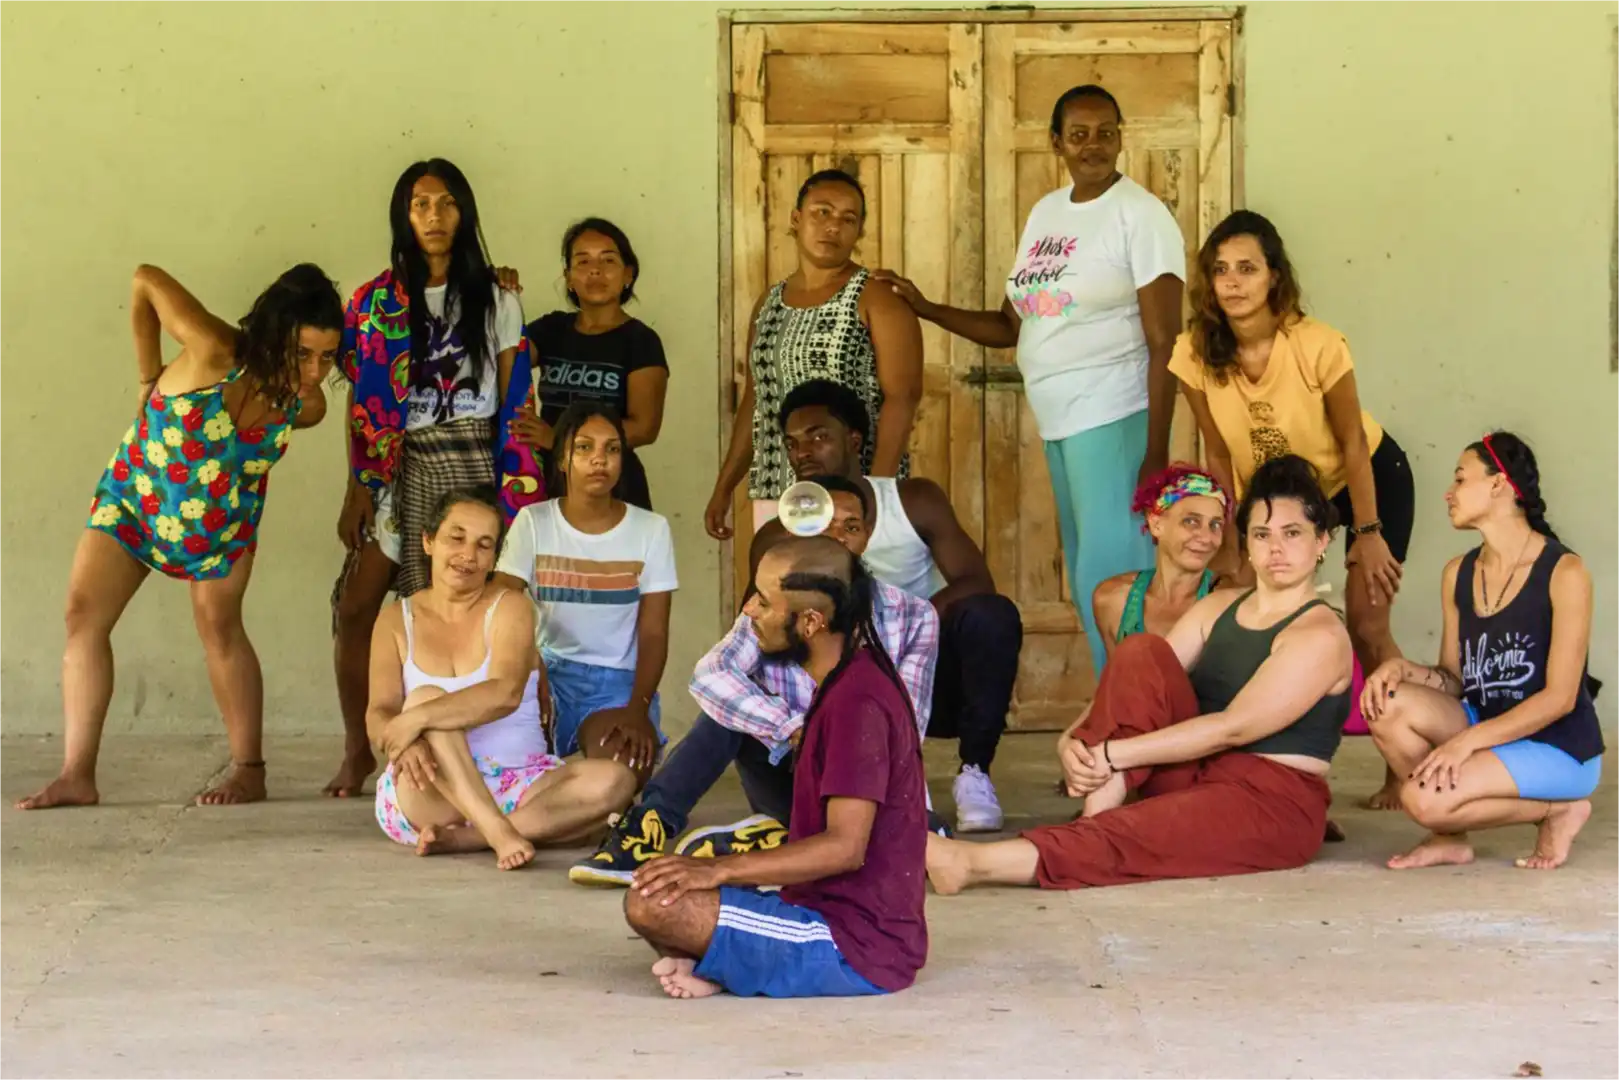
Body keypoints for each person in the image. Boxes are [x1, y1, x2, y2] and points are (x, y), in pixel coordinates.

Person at [925, 455, 1353, 893]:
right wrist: (1071, 738)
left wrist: (1112, 754)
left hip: (1268, 800)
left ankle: (971, 862)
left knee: (1140, 835)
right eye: (1262, 534)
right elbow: (1135, 678)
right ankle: (1094, 820)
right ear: (1247, 543)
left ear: (1322, 541)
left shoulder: (1320, 635)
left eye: (1292, 533)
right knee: (1140, 651)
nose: (1276, 548)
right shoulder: (1219, 606)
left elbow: (1232, 728)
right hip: (1195, 770)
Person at [875, 84, 1184, 676]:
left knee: (1113, 576)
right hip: (1061, 422)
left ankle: (1134, 710)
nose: (1093, 145)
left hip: (1112, 414)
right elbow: (1010, 324)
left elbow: (1165, 340)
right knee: (1088, 576)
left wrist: (1155, 453)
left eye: (1106, 133)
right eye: (1079, 134)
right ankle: (1118, 705)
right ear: (1056, 142)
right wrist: (927, 308)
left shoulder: (1141, 215)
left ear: (1122, 138)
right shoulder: (1048, 213)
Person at [16, 264, 341, 810]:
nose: (314, 371)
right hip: (138, 499)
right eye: (302, 353)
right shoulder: (214, 349)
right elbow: (144, 279)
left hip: (222, 526)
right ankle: (77, 774)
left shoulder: (306, 406)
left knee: (221, 629)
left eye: (327, 357)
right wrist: (149, 378)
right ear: (272, 335)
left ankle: (250, 770)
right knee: (83, 616)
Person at [568, 473, 940, 885]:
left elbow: (906, 726)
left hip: (864, 785)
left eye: (850, 527)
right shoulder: (772, 606)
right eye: (823, 523)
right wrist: (791, 727)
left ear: (867, 536)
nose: (836, 537)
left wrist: (826, 738)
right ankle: (647, 828)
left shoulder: (914, 615)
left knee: (926, 843)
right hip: (789, 776)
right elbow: (710, 674)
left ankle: (777, 841)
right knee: (725, 710)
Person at [1167, 209, 1415, 808]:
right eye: (1220, 270)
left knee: (1367, 625)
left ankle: (1403, 762)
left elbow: (1352, 442)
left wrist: (1369, 531)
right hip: (1274, 496)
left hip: (1359, 479)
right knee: (1254, 619)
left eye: (1247, 268)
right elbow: (1218, 452)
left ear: (1274, 275)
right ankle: (1276, 769)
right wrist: (1230, 538)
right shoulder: (1193, 353)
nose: (1232, 282)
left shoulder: (1317, 344)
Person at [624, 536, 928, 1000]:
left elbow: (846, 847)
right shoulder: (843, 680)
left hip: (856, 945)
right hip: (811, 905)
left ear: (811, 622)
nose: (749, 610)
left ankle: (725, 964)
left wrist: (719, 870)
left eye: (764, 602)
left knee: (651, 904)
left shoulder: (857, 704)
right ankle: (723, 962)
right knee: (664, 885)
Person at [326, 158, 542, 800]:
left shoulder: (498, 299)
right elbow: (361, 401)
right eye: (420, 204)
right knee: (356, 606)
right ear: (403, 215)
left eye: (446, 203)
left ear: (464, 212)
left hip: (475, 463)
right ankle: (361, 744)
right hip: (402, 467)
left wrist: (517, 490)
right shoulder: (372, 303)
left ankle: (491, 751)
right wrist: (357, 484)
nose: (434, 216)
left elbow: (515, 393)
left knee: (480, 602)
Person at [757, 379, 1022, 829]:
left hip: (924, 674)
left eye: (818, 437)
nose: (803, 452)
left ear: (853, 440)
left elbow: (976, 581)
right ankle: (814, 778)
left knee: (991, 615)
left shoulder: (912, 501)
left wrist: (898, 631)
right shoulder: (777, 532)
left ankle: (975, 772)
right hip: (832, 685)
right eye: (792, 443)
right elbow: (761, 625)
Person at [1361, 433, 1601, 872]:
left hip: (1557, 746)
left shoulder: (1564, 572)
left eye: (1459, 479)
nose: (1448, 493)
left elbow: (1561, 698)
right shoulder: (1459, 573)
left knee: (1421, 799)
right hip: (1485, 724)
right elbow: (1454, 679)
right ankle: (1449, 837)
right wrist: (1402, 669)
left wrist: (1464, 745)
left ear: (1498, 484)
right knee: (1386, 705)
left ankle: (1558, 810)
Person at [366, 487, 638, 869]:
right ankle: (502, 830)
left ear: (495, 556)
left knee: (616, 780)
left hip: (522, 786)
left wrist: (416, 720)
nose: (468, 555)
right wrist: (403, 744)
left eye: (484, 545)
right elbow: (379, 711)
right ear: (428, 541)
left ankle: (468, 837)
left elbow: (505, 693)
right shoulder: (396, 619)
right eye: (456, 538)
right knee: (426, 696)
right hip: (433, 790)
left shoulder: (511, 607)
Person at [706, 169, 923, 541]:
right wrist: (725, 485)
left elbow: (902, 398)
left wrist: (875, 491)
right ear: (796, 219)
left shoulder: (876, 297)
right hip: (778, 485)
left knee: (850, 577)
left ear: (859, 231)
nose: (833, 226)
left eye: (848, 219)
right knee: (781, 576)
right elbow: (757, 400)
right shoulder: (769, 302)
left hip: (851, 488)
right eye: (822, 212)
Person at [493, 402, 676, 791]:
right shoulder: (534, 522)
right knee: (500, 766)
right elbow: (500, 604)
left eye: (612, 449)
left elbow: (654, 632)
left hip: (617, 686)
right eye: (584, 447)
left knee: (621, 772)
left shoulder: (651, 529)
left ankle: (561, 789)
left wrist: (638, 709)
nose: (599, 459)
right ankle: (558, 790)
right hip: (547, 678)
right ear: (562, 458)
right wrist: (529, 659)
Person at [508, 218, 668, 511]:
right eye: (583, 261)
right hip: (551, 482)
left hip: (612, 484)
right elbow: (504, 364)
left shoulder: (640, 340)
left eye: (608, 260)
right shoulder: (551, 329)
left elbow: (645, 427)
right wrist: (497, 294)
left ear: (628, 274)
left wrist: (560, 439)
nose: (595, 270)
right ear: (568, 277)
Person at [1093, 464, 1228, 652]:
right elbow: (1118, 671)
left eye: (1215, 525)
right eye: (1191, 521)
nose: (1206, 537)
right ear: (1156, 525)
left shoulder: (1228, 603)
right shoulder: (1114, 600)